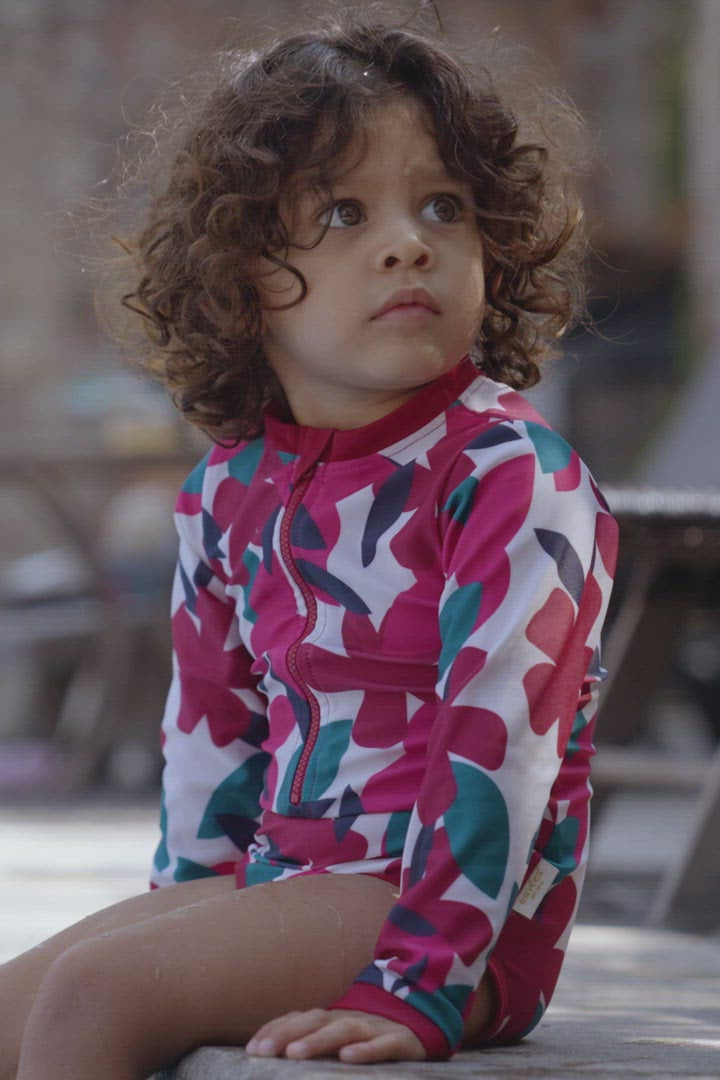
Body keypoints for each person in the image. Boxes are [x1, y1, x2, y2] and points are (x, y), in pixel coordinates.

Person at [2, 8, 618, 1077]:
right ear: (240, 272)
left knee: (96, 995)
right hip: (283, 886)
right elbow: (210, 741)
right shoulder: (227, 489)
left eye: (446, 206)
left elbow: (505, 748)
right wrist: (187, 934)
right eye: (343, 211)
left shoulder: (511, 474)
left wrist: (420, 985)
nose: (408, 241)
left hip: (449, 923)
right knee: (23, 1004)